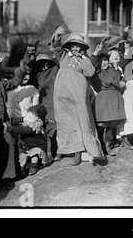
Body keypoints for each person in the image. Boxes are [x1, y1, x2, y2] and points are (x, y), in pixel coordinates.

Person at [49, 25, 104, 166]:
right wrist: (57, 36)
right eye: (73, 46)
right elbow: (55, 47)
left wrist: (82, 59)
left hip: (78, 91)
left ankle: (84, 152)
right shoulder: (63, 56)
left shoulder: (84, 59)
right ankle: (64, 150)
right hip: (62, 93)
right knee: (64, 120)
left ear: (82, 48)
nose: (76, 49)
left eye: (79, 47)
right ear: (69, 46)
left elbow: (90, 72)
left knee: (82, 119)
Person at [0, 51, 30, 182]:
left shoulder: (0, 84)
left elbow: (15, 81)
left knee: (10, 141)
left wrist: (24, 65)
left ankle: (9, 176)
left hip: (3, 124)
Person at [91, 43, 127, 156]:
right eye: (101, 61)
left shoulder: (114, 70)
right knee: (102, 123)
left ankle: (108, 144)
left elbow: (122, 76)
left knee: (112, 122)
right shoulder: (96, 71)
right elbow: (93, 62)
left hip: (115, 97)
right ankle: (101, 146)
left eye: (105, 60)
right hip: (103, 98)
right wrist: (96, 53)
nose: (104, 63)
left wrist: (123, 81)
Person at [4, 104, 49, 176]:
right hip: (27, 148)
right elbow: (13, 121)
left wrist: (9, 128)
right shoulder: (28, 123)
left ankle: (34, 166)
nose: (27, 119)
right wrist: (22, 118)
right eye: (26, 116)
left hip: (37, 147)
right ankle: (24, 167)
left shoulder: (33, 127)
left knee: (35, 153)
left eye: (30, 117)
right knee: (22, 156)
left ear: (38, 120)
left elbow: (21, 130)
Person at [31, 53, 60, 161]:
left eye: (46, 63)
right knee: (43, 130)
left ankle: (55, 152)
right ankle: (45, 153)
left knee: (54, 129)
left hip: (53, 104)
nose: (44, 66)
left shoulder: (55, 70)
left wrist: (54, 52)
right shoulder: (36, 75)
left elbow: (59, 60)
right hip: (41, 105)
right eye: (41, 64)